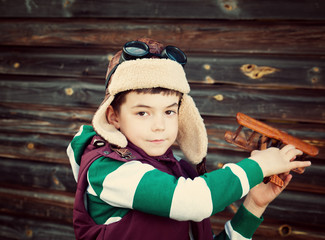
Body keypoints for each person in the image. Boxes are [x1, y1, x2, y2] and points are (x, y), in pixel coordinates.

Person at [67, 38, 311, 240]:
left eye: (169, 111)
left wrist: (254, 205)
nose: (160, 126)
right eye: (142, 112)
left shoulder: (179, 172)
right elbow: (193, 200)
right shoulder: (108, 170)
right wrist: (260, 166)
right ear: (113, 116)